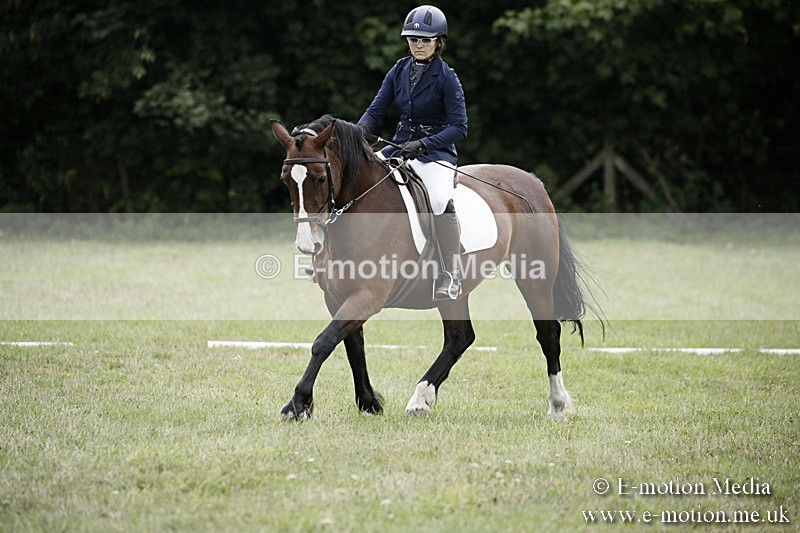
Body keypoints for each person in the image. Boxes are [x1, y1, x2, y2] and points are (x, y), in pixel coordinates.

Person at [358, 5, 467, 300]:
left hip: (435, 154)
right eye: (413, 39)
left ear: (438, 42)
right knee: (358, 180)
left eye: (425, 40)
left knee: (440, 200)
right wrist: (357, 133)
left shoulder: (446, 77)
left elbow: (459, 128)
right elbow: (375, 110)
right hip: (398, 148)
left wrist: (423, 145)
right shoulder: (399, 69)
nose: (418, 45)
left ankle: (451, 273)